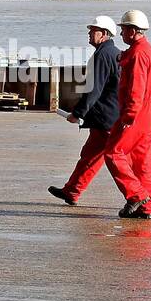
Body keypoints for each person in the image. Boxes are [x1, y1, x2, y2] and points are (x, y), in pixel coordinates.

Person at [48, 16, 120, 206]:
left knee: (113, 160)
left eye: (93, 30)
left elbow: (94, 88)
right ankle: (72, 191)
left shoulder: (103, 55)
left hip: (106, 117)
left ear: (103, 34)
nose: (89, 33)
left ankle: (139, 197)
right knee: (90, 157)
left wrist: (78, 113)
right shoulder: (113, 53)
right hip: (110, 116)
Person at [104, 10, 151, 219]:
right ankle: (147, 206)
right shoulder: (148, 51)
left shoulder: (137, 54)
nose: (121, 34)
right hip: (150, 112)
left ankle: (136, 195)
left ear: (133, 31)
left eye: (124, 29)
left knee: (113, 152)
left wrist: (129, 115)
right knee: (141, 160)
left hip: (136, 111)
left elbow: (136, 88)